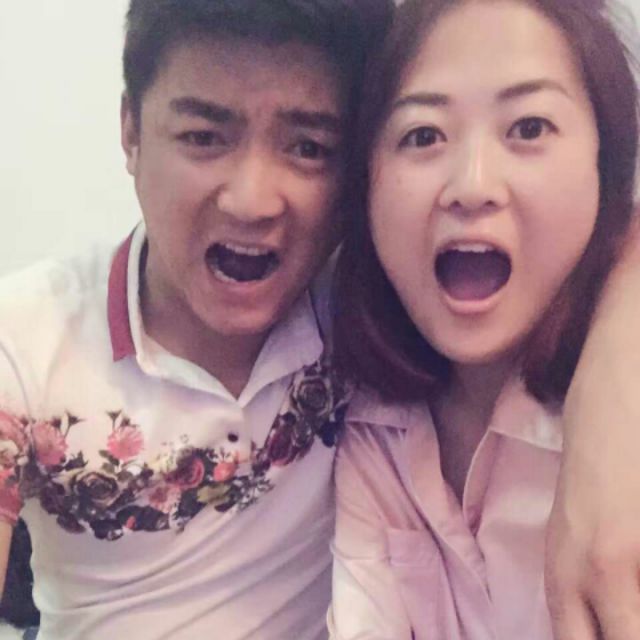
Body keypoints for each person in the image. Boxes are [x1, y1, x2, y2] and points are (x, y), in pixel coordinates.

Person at [0, 1, 391, 638]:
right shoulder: (24, 341)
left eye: (309, 148)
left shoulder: (367, 308)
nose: (252, 201)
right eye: (205, 137)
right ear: (131, 130)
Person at [329, 0, 639, 638]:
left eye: (528, 127)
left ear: (606, 167)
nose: (471, 185)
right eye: (423, 135)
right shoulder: (369, 427)